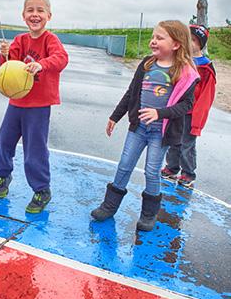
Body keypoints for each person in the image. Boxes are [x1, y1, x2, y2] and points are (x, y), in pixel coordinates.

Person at [91, 20, 199, 231]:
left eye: (159, 38)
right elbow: (132, 92)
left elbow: (187, 105)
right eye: (153, 37)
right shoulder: (147, 64)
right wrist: (115, 116)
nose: (153, 41)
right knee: (124, 165)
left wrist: (160, 113)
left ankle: (148, 215)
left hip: (160, 133)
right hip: (138, 128)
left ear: (176, 44)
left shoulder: (184, 73)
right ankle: (108, 207)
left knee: (151, 172)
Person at [0, 0, 68, 213]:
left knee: (34, 150)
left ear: (49, 15)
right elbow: (9, 67)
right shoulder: (19, 41)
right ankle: (3, 176)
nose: (35, 14)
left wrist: (41, 65)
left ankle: (41, 190)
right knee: (3, 143)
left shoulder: (50, 40)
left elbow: (61, 58)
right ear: (23, 15)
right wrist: (4, 56)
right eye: (30, 10)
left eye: (40, 10)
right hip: (16, 103)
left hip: (38, 106)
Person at [161, 25, 216, 188]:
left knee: (187, 143)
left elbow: (206, 96)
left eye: (193, 40)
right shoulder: (180, 61)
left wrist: (197, 121)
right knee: (173, 140)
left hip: (191, 113)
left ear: (201, 43)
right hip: (177, 109)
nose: (189, 43)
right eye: (187, 39)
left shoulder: (206, 67)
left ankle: (188, 173)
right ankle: (171, 168)